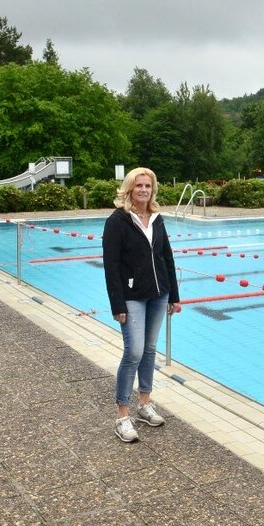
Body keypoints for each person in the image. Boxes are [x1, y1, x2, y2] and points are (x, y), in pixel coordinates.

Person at [102, 167, 180, 443]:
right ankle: (122, 416)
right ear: (129, 190)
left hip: (159, 294)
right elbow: (111, 266)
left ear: (153, 189)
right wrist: (117, 304)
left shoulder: (157, 218)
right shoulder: (117, 221)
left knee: (149, 350)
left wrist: (174, 295)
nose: (144, 190)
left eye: (147, 186)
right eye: (138, 186)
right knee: (133, 351)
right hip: (131, 296)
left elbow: (166, 257)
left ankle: (144, 403)